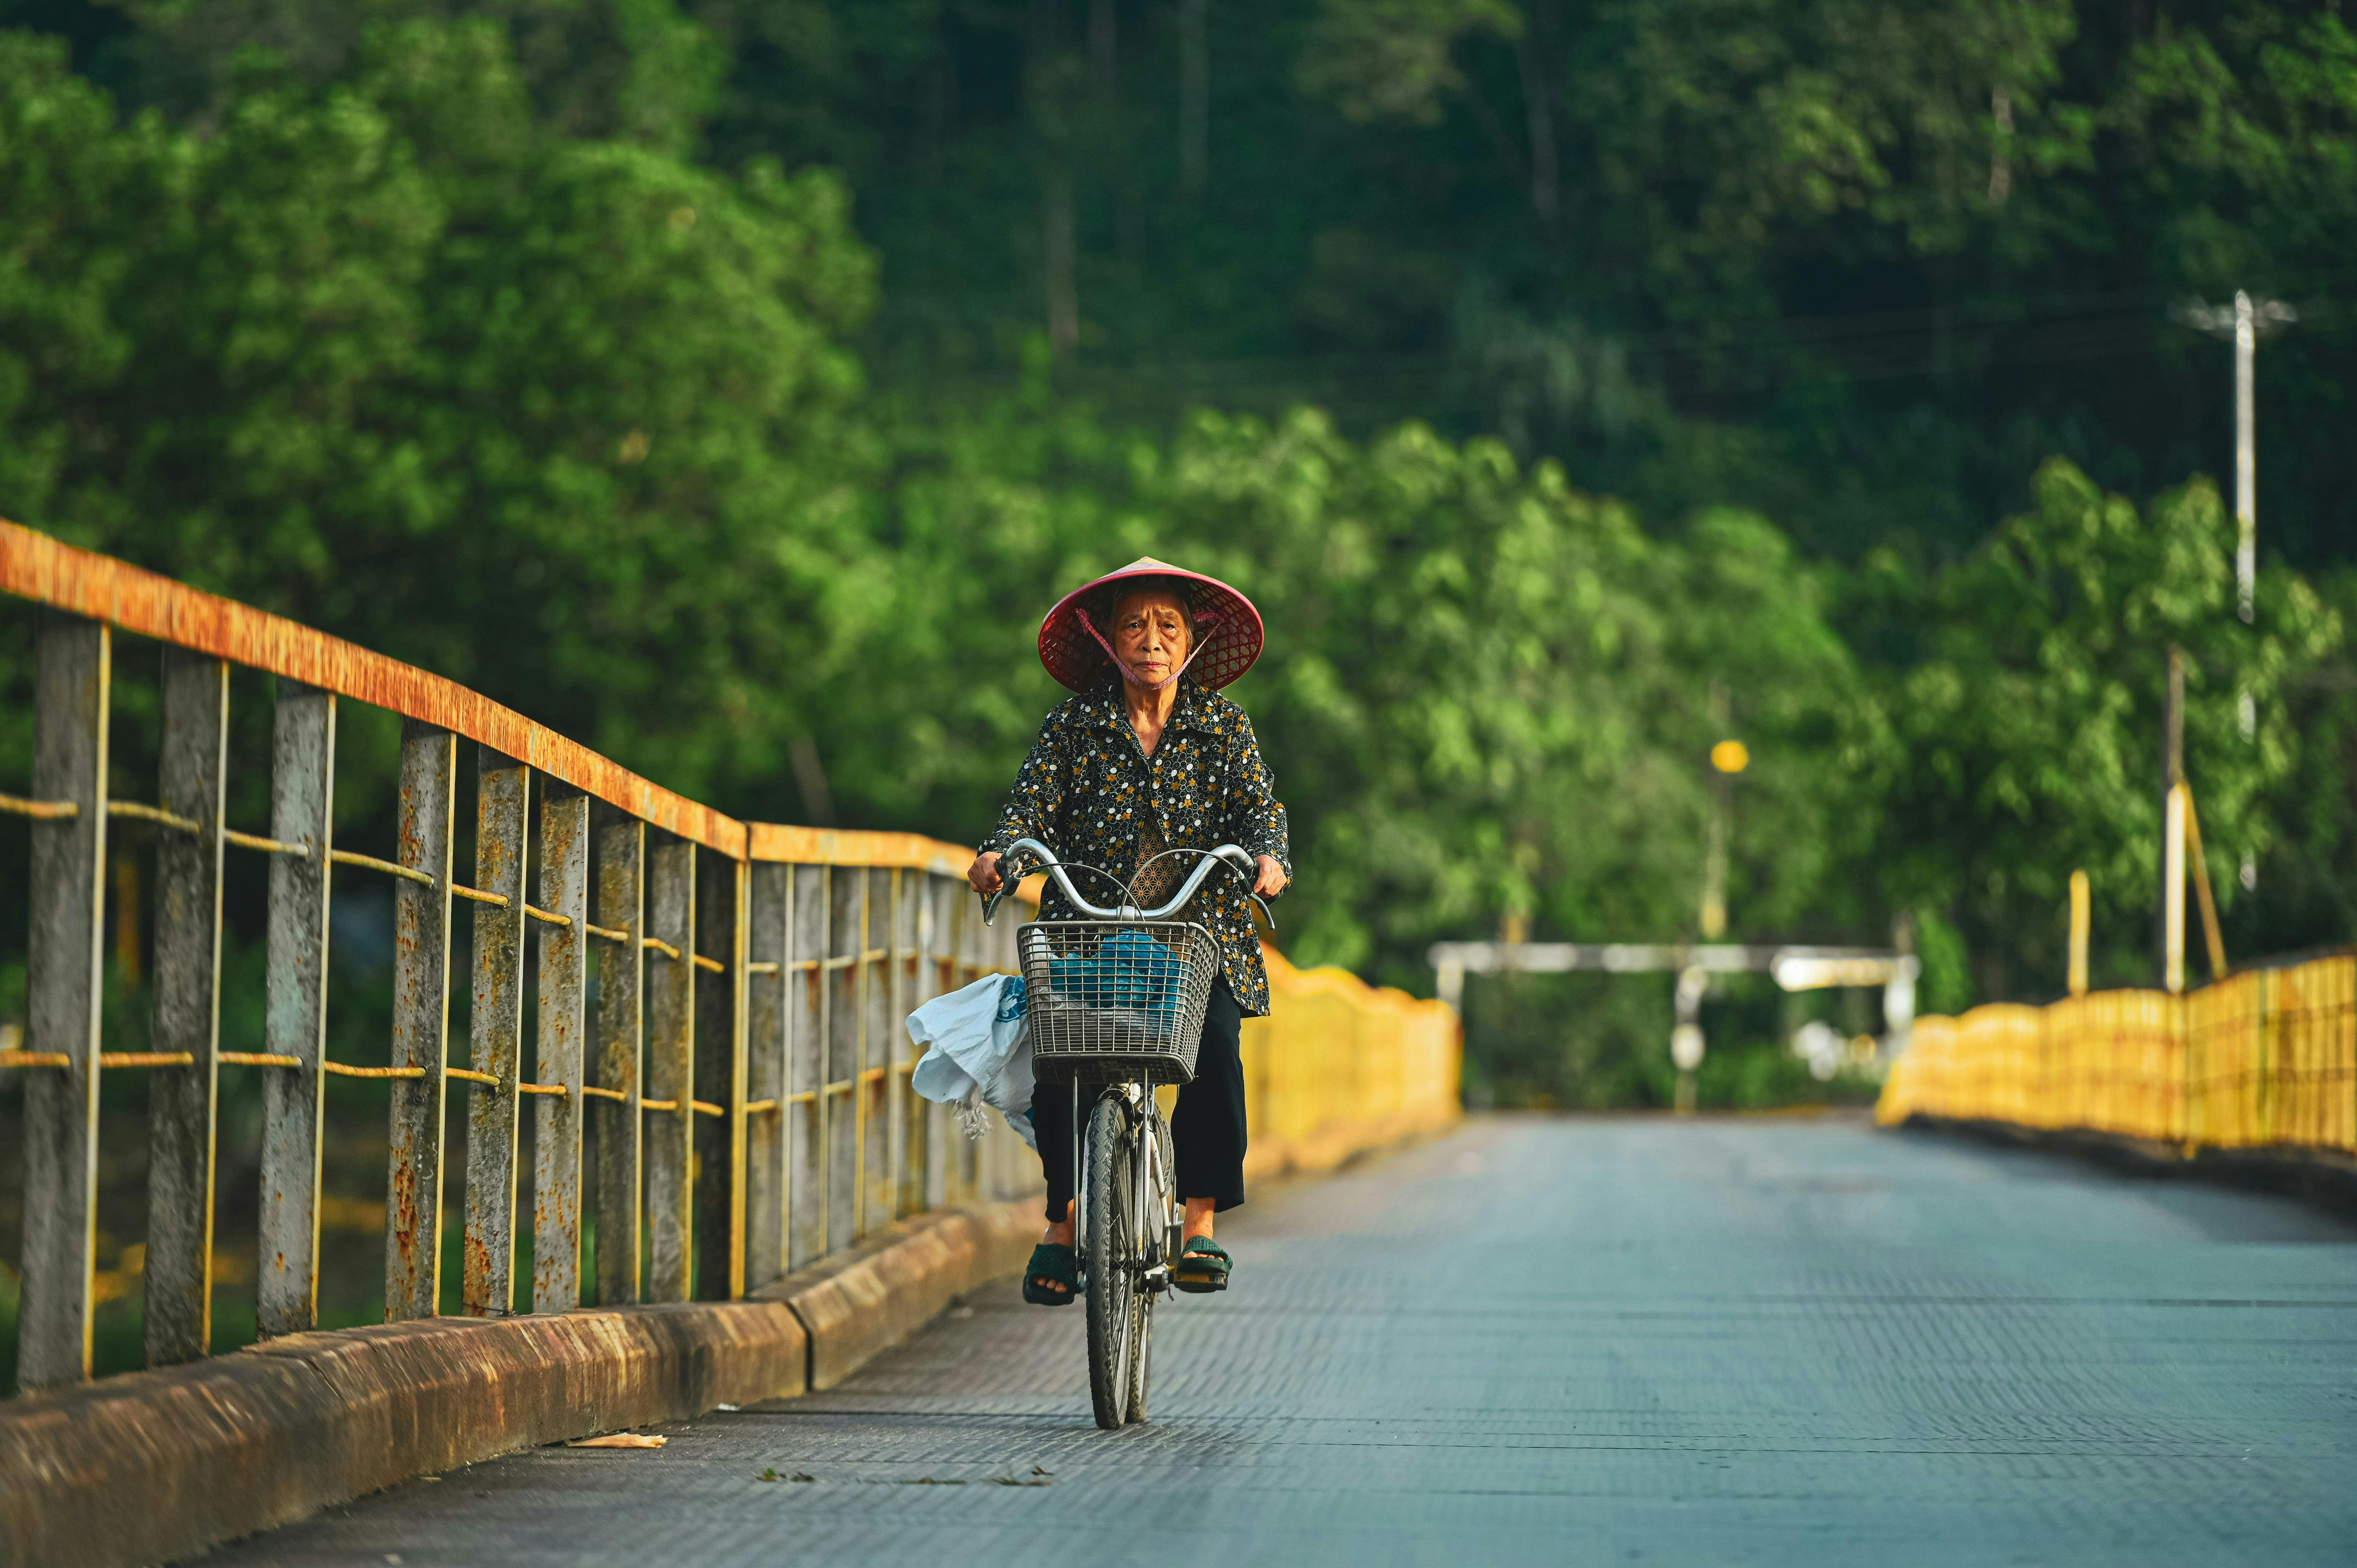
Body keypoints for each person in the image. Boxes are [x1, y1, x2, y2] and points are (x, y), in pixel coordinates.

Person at [968, 556, 1290, 1303]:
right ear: (1108, 640)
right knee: (1060, 1049)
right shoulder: (1074, 724)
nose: (1151, 641)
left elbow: (1259, 810)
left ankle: (1199, 1222)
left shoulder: (1222, 726)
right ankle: (1063, 1220)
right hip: (1090, 925)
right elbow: (1030, 808)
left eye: (1167, 626)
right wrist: (999, 855)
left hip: (1194, 934)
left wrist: (1267, 858)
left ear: (1192, 644)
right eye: (1134, 626)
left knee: (1214, 1043)